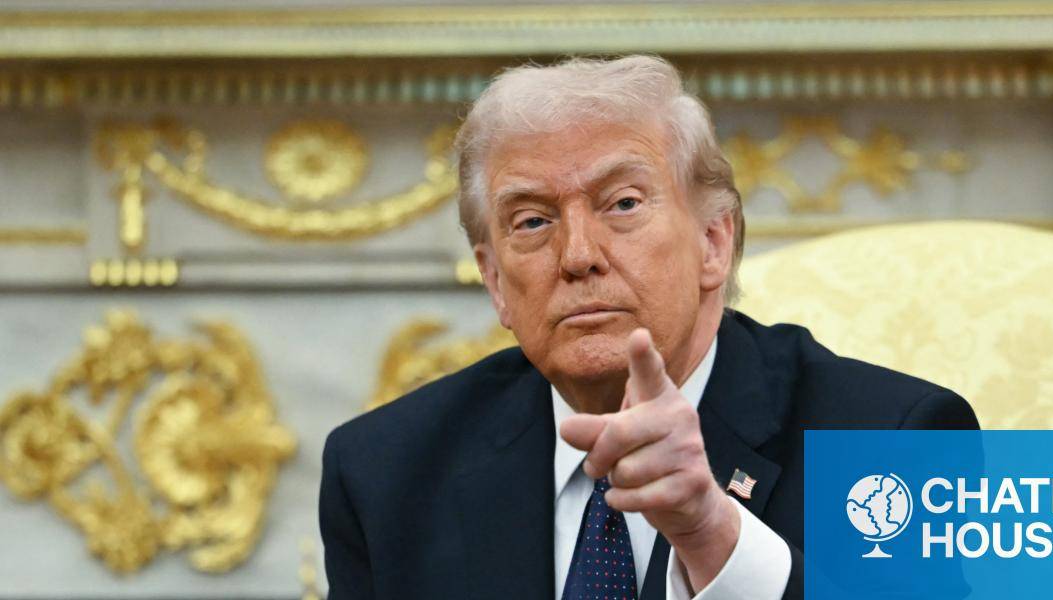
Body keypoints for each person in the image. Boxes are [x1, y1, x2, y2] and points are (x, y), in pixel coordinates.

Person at [319, 55, 978, 600]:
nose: (578, 255)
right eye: (532, 221)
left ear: (714, 243)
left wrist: (714, 536)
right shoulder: (385, 474)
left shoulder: (895, 438)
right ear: (495, 280)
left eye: (623, 203)